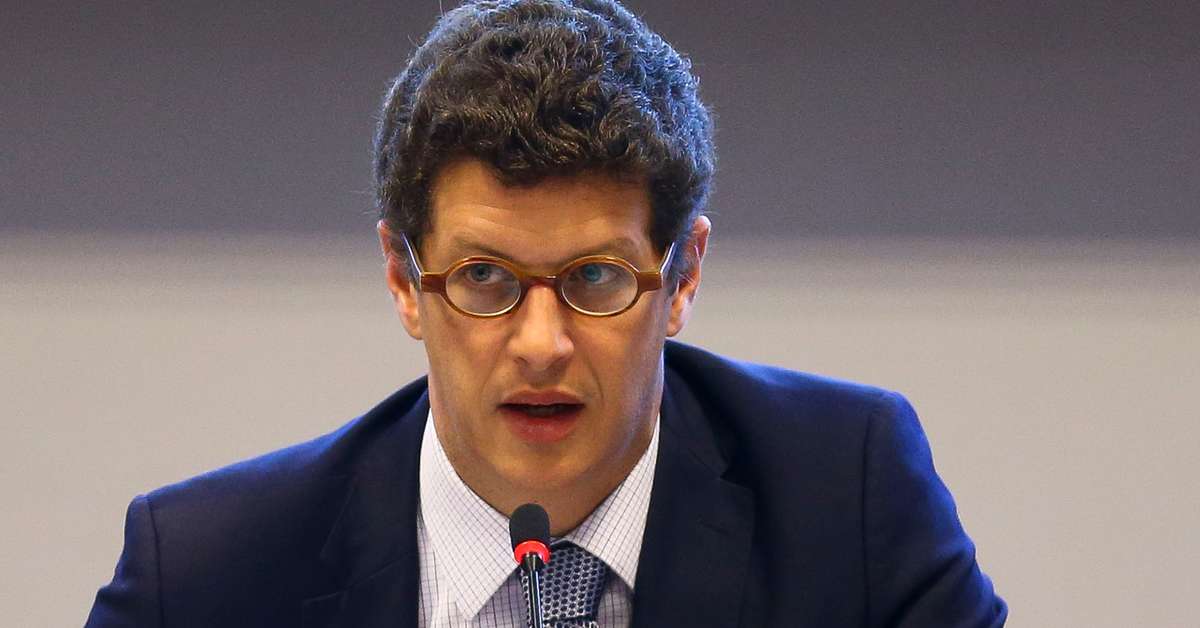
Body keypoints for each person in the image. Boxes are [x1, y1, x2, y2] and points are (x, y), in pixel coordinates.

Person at [86, 1, 1007, 626]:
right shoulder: (208, 576)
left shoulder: (847, 502)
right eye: (484, 277)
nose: (540, 343)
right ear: (404, 280)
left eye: (596, 278)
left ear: (682, 277)